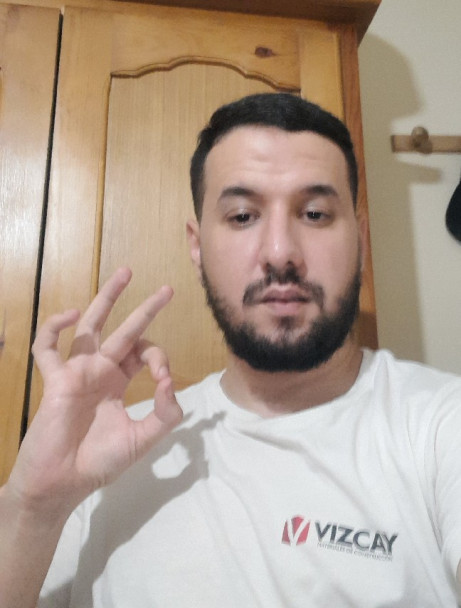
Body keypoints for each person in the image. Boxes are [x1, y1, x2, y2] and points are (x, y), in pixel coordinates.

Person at [1, 92, 461, 607]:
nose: (281, 253)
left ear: (362, 241)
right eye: (243, 216)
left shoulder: (440, 427)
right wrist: (34, 504)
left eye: (314, 214)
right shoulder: (102, 461)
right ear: (197, 246)